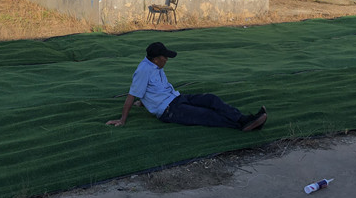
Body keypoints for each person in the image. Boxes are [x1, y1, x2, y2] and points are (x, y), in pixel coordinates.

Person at [106, 42, 267, 132]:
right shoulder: (143, 71)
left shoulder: (155, 65)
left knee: (211, 99)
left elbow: (150, 89)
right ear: (155, 59)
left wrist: (144, 101)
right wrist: (122, 120)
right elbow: (131, 95)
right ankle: (243, 126)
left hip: (177, 98)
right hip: (169, 110)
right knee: (206, 115)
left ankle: (244, 119)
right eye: (164, 57)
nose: (166, 60)